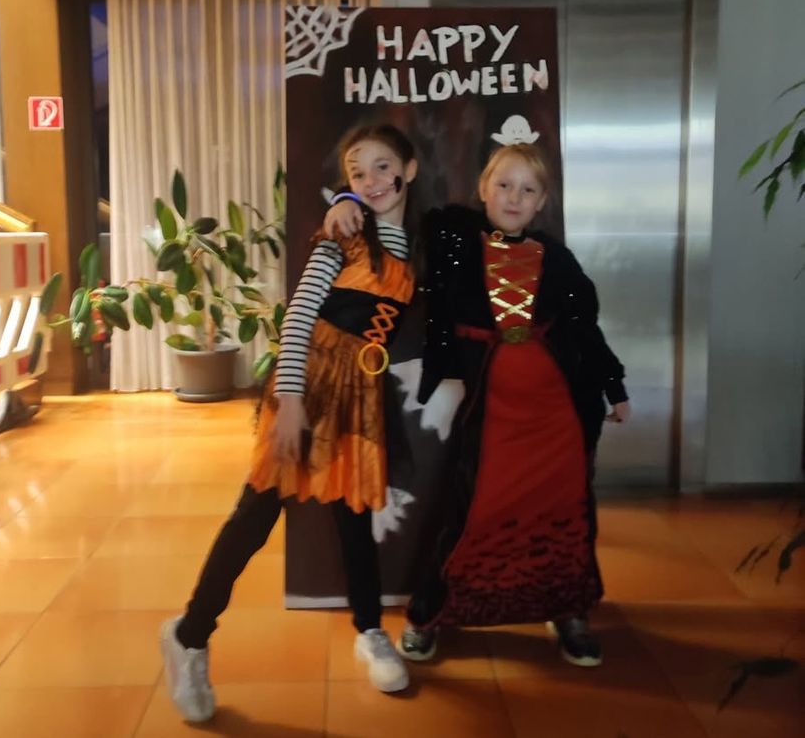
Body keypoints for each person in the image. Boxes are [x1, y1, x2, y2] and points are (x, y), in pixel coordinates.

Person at [324, 141, 629, 669]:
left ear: (542, 202)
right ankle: (429, 613)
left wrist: (614, 385)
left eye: (527, 190)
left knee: (565, 512)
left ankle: (569, 611)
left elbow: (585, 328)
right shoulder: (450, 232)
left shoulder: (557, 259)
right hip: (493, 408)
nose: (514, 197)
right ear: (484, 188)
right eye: (504, 185)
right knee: (473, 511)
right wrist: (345, 198)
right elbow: (390, 194)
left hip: (557, 412)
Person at [160, 123, 420, 722]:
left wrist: (353, 203)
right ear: (344, 184)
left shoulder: (412, 241)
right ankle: (190, 636)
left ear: (410, 168)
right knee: (255, 515)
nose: (372, 181)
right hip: (306, 385)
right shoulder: (340, 237)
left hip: (359, 393)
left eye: (383, 167)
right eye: (357, 173)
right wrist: (294, 400)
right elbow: (299, 318)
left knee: (354, 516)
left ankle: (368, 630)